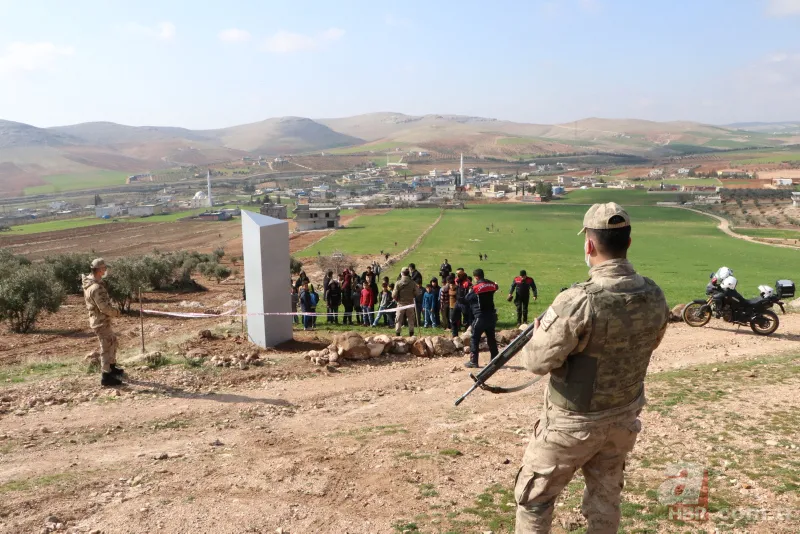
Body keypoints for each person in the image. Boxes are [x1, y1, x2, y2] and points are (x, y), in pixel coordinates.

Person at [513, 202, 669, 533]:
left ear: (589, 244)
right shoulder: (654, 293)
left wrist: (542, 333)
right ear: (628, 242)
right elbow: (649, 343)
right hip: (623, 418)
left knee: (535, 500)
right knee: (605, 499)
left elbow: (536, 363)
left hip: (572, 424)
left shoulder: (578, 300)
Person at [82, 258, 123, 387]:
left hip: (101, 320)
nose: (106, 270)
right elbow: (104, 308)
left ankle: (111, 367)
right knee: (106, 347)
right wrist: (116, 312)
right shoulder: (96, 287)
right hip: (100, 321)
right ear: (99, 270)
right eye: (104, 268)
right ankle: (106, 377)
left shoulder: (93, 284)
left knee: (112, 342)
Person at [463, 268, 498, 368]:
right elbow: (495, 286)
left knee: (474, 338)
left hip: (480, 316)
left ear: (476, 277)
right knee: (491, 337)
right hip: (491, 316)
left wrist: (469, 289)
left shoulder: (476, 288)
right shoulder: (491, 285)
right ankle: (495, 359)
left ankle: (474, 361)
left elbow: (467, 298)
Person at [393, 268, 420, 336]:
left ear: (402, 273)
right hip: (410, 304)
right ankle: (411, 334)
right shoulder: (413, 283)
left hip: (400, 304)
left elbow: (394, 295)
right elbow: (417, 293)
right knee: (411, 320)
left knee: (398, 320)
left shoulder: (398, 283)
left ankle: (398, 334)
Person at [451, 268, 472, 337]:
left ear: (463, 273)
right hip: (458, 302)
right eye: (456, 274)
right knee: (453, 318)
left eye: (459, 274)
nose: (457, 275)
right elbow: (455, 281)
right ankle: (455, 335)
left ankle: (467, 336)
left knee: (466, 321)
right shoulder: (458, 280)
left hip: (465, 304)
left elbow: (469, 288)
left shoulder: (467, 282)